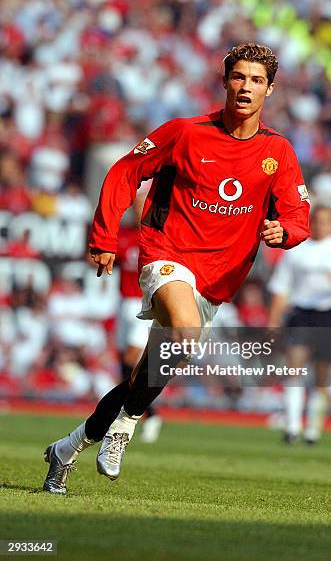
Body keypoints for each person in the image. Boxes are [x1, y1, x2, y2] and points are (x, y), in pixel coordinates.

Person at [43, 42, 310, 494]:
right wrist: (104, 237)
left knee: (147, 375)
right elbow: (125, 171)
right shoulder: (185, 132)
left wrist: (283, 233)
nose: (246, 87)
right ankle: (124, 430)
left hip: (218, 279)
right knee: (182, 331)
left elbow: (297, 216)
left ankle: (66, 448)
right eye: (239, 77)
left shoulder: (277, 152)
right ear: (225, 81)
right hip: (167, 252)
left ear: (271, 89)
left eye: (257, 80)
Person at [268, 204, 331, 444]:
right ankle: (292, 427)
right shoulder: (296, 250)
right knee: (295, 367)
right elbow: (281, 288)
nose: (321, 226)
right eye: (317, 221)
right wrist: (273, 319)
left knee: (322, 376)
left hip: (327, 315)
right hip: (301, 313)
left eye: (326, 221)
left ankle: (313, 428)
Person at [116, 192, 163, 443]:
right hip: (122, 302)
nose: (137, 211)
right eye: (134, 206)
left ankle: (146, 413)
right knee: (123, 363)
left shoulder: (154, 235)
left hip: (140, 303)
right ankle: (138, 411)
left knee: (131, 358)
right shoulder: (123, 235)